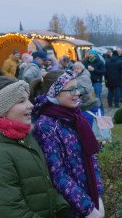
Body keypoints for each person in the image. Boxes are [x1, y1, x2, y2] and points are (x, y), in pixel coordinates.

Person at [0, 76, 69, 217]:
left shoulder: (25, 138)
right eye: (21, 101)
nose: (31, 105)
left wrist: (62, 207)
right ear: (1, 110)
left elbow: (45, 185)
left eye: (28, 98)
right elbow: (12, 212)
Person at [31, 70, 105, 218]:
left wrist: (98, 196)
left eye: (77, 88)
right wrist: (88, 208)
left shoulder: (75, 117)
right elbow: (57, 174)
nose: (78, 93)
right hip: (70, 207)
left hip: (89, 197)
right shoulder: (46, 126)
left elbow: (91, 157)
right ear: (54, 93)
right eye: (71, 89)